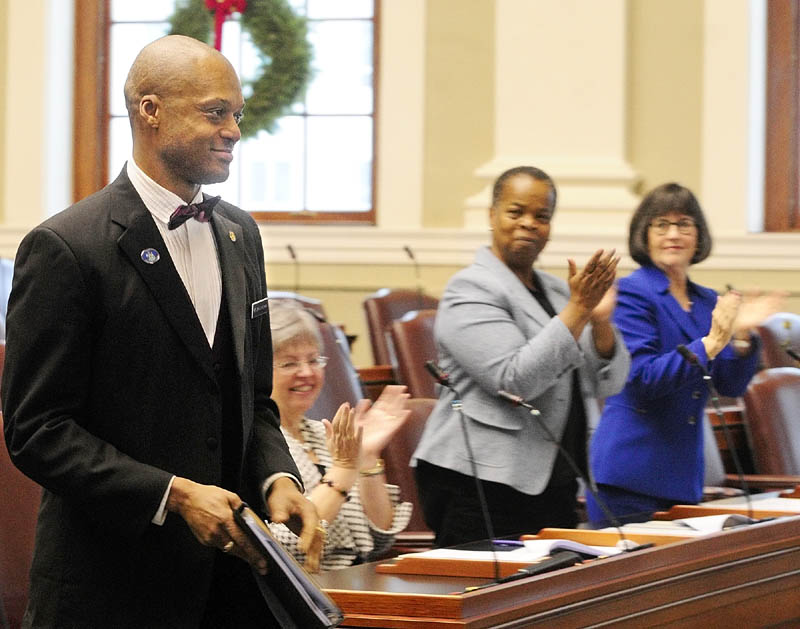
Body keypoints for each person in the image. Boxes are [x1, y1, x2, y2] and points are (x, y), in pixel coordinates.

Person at [1, 35, 320, 628]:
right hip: (110, 590)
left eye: (237, 115)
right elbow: (37, 431)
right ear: (150, 110)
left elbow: (253, 399)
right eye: (214, 112)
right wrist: (173, 493)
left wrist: (278, 476)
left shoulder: (239, 234)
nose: (234, 131)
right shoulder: (67, 247)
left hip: (229, 590)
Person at [411, 165, 631, 548]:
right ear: (492, 214)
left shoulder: (557, 290)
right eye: (516, 212)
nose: (528, 224)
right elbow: (514, 379)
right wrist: (579, 309)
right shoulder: (471, 288)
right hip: (479, 482)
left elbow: (607, 380)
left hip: (551, 478)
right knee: (481, 601)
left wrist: (600, 323)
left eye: (541, 216)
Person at [587, 183, 784, 526]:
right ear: (643, 235)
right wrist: (711, 341)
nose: (673, 234)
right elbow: (644, 379)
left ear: (698, 235)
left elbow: (730, 385)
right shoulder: (632, 294)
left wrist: (739, 336)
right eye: (661, 224)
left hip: (683, 477)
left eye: (684, 224)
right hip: (628, 476)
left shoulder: (707, 300)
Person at [266, 301, 413, 570]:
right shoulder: (259, 444)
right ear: (257, 371)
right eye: (289, 363)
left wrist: (367, 458)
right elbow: (287, 545)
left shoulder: (323, 433)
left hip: (355, 582)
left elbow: (380, 538)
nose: (307, 373)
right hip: (299, 593)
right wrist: (344, 470)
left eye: (313, 360)